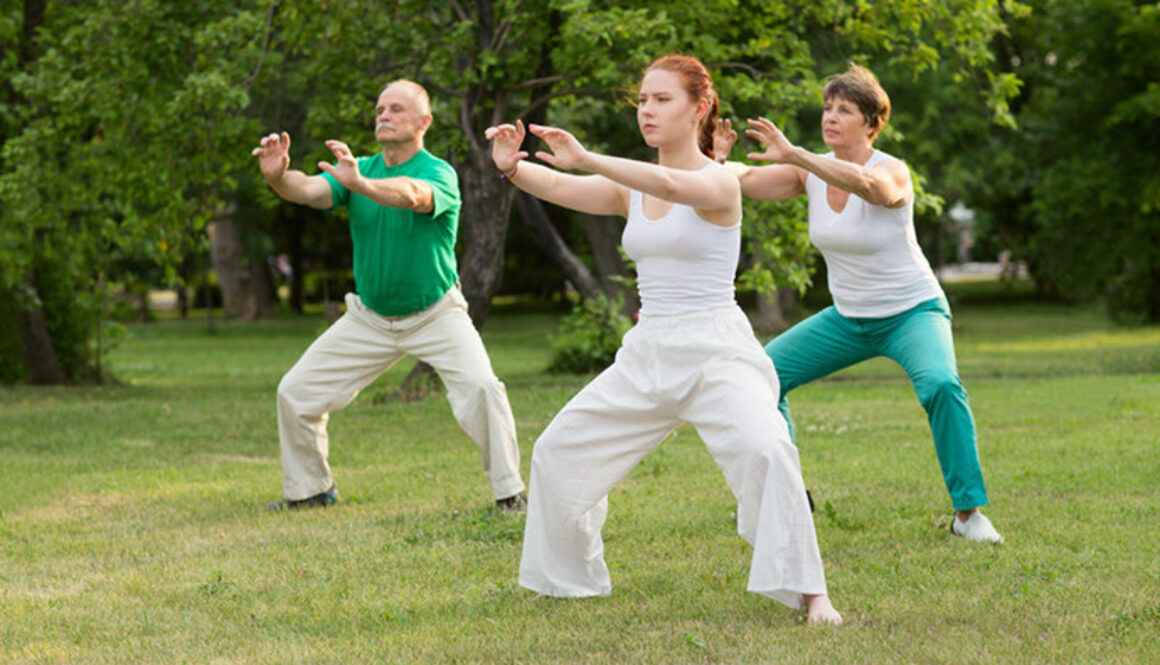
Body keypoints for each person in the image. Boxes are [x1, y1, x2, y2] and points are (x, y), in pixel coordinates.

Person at [486, 55, 843, 625]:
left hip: (716, 352)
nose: (647, 111)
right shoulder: (631, 189)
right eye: (643, 101)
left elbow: (675, 182)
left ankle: (810, 592)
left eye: (662, 100)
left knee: (767, 450)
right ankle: (565, 581)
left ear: (699, 108)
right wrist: (512, 168)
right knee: (557, 451)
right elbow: (561, 184)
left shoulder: (720, 180)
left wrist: (587, 155)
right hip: (648, 352)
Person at [714, 63, 1002, 543]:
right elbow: (743, 181)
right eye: (827, 107)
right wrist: (715, 162)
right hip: (847, 319)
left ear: (871, 125)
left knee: (940, 385)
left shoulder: (891, 169)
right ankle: (788, 496)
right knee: (762, 377)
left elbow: (873, 190)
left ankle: (968, 515)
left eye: (844, 110)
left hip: (912, 312)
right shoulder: (806, 174)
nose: (831, 116)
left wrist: (798, 154)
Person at [251, 80, 526, 513]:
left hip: (436, 314)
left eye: (397, 109)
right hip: (370, 318)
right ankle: (312, 491)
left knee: (482, 390)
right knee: (295, 392)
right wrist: (277, 177)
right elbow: (306, 190)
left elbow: (412, 196)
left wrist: (360, 184)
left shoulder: (437, 172)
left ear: (424, 122)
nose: (384, 115)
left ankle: (510, 493)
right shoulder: (355, 168)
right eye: (380, 108)